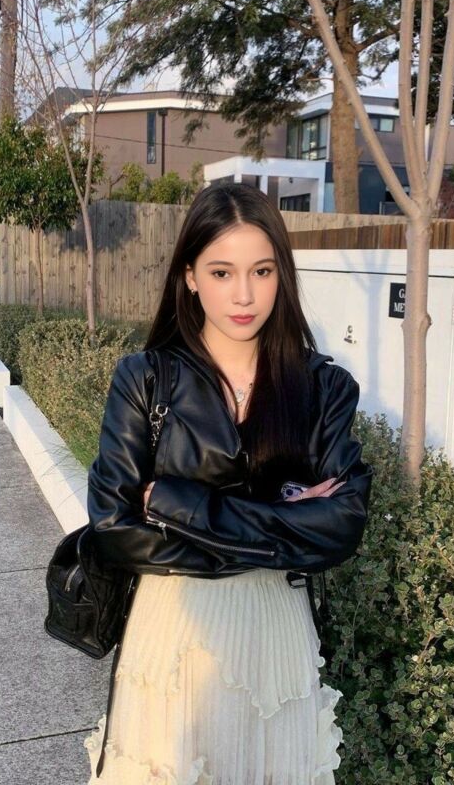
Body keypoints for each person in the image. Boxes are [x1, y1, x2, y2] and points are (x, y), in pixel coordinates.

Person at [84, 183, 374, 784]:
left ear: (281, 275)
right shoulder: (146, 380)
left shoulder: (322, 388)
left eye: (262, 271)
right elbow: (114, 529)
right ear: (190, 276)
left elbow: (342, 527)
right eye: (222, 272)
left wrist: (178, 505)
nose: (244, 295)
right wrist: (283, 526)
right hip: (174, 636)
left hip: (277, 641)